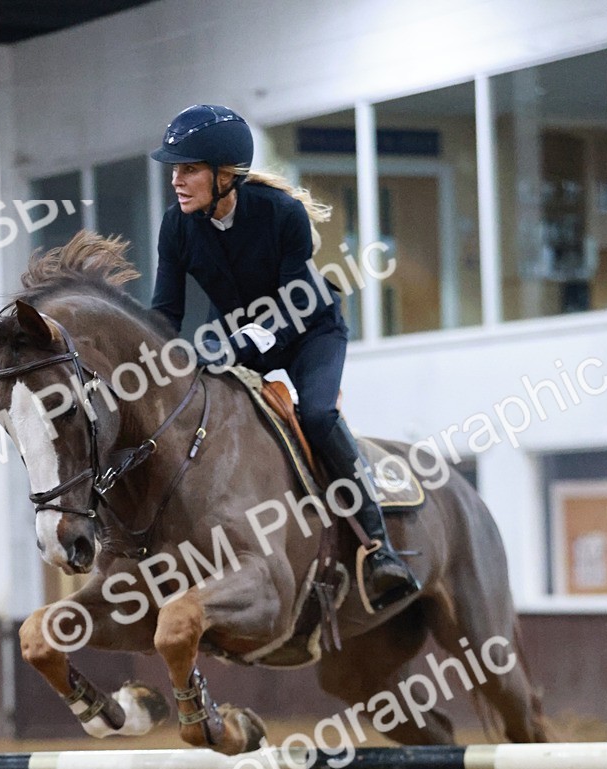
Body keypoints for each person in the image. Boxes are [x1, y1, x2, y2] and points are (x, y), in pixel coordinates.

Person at [150, 103, 419, 611]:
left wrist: (233, 345)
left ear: (224, 176)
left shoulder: (281, 214)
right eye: (175, 170)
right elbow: (164, 312)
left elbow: (292, 306)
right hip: (236, 338)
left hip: (309, 330)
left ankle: (380, 546)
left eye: (188, 169)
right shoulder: (176, 226)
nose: (177, 181)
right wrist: (146, 361)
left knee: (316, 414)